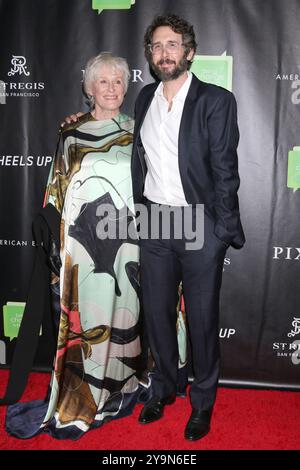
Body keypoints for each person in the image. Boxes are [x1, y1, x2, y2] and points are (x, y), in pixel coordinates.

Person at [6, 52, 146, 440]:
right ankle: (84, 389)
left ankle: (122, 385)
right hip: (82, 250)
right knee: (90, 319)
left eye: (118, 81)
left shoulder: (139, 131)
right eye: (103, 81)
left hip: (129, 245)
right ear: (89, 89)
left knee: (124, 315)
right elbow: (56, 192)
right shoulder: (70, 134)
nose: (112, 88)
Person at [131, 14, 245, 441]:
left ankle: (203, 403)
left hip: (200, 225)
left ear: (189, 53)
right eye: (157, 46)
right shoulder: (144, 99)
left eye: (173, 45)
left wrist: (220, 231)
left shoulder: (216, 101)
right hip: (156, 221)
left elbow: (225, 171)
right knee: (157, 317)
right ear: (151, 55)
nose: (164, 53)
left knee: (200, 321)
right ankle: (162, 388)